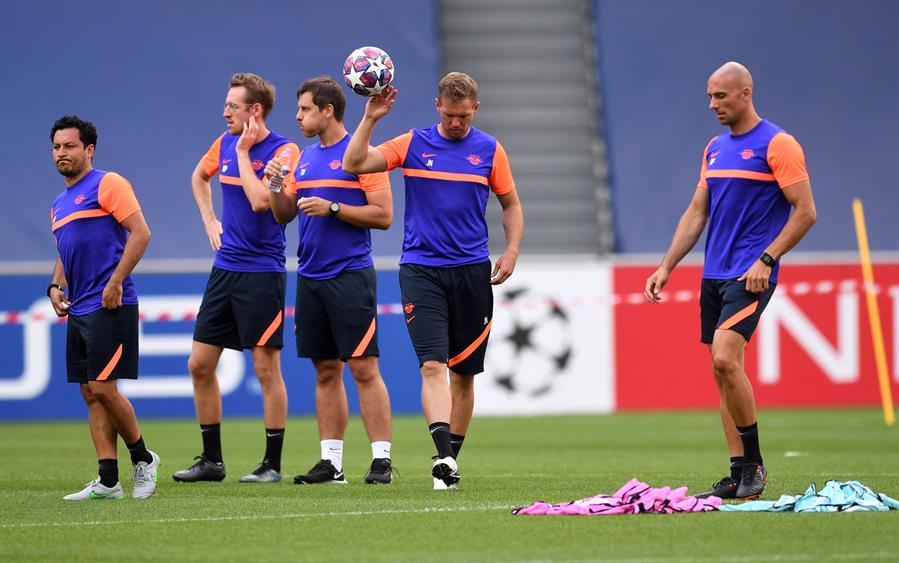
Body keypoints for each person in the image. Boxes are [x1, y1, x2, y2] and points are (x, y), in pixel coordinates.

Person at [643, 62, 817, 500]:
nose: (712, 104)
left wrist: (767, 258)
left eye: (720, 96)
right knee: (723, 373)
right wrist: (667, 265)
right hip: (714, 273)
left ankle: (754, 464)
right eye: (709, 96)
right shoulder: (715, 148)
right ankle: (738, 472)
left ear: (745, 93)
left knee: (724, 357)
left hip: (750, 273)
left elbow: (806, 212)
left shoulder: (779, 144)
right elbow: (697, 211)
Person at [343, 72, 524, 489]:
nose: (457, 123)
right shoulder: (412, 143)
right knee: (432, 365)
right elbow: (354, 163)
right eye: (450, 114)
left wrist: (512, 249)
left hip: (472, 273)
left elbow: (511, 204)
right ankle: (442, 454)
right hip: (421, 270)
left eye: (464, 116)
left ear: (475, 109)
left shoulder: (490, 150)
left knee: (463, 375)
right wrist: (370, 118)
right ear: (437, 106)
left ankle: (449, 463)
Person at [267, 76, 395, 485]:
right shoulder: (303, 158)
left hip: (350, 274)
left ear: (327, 110)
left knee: (363, 367)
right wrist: (274, 187)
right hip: (310, 276)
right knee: (324, 369)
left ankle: (381, 461)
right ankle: (332, 464)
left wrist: (335, 207)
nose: (298, 116)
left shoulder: (364, 156)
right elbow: (283, 214)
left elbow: (384, 215)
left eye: (304, 109)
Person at [173, 73, 300, 484]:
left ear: (254, 110)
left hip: (262, 272)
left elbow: (264, 201)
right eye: (226, 105)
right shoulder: (223, 141)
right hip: (225, 269)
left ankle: (272, 465)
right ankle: (212, 462)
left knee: (266, 370)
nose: (225, 111)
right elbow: (198, 177)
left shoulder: (284, 149)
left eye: (233, 105)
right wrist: (211, 220)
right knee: (199, 364)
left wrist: (245, 153)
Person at [48, 115, 159, 500]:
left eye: (70, 146)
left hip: (111, 302)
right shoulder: (59, 204)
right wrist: (55, 284)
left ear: (89, 149)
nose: (62, 153)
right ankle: (108, 480)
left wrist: (115, 282)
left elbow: (141, 233)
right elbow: (66, 248)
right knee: (90, 393)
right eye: (57, 147)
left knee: (103, 387)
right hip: (78, 308)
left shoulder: (108, 183)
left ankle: (144, 459)